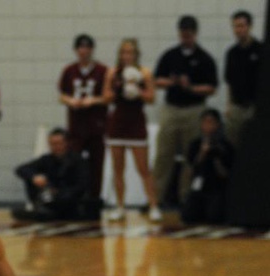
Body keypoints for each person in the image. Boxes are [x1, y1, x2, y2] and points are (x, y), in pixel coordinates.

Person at [153, 15, 218, 207]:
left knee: (191, 156)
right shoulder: (170, 55)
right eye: (183, 34)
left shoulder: (204, 58)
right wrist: (173, 82)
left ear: (195, 34)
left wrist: (191, 88)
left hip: (194, 110)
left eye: (189, 34)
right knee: (164, 154)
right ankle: (156, 197)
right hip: (171, 109)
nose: (186, 38)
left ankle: (186, 198)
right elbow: (157, 81)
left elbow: (212, 88)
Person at [103, 39, 162, 223]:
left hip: (136, 122)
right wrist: (119, 90)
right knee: (118, 168)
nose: (127, 56)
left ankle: (153, 206)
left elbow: (152, 98)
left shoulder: (145, 72)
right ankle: (120, 206)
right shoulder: (113, 73)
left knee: (143, 168)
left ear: (136, 55)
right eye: (124, 52)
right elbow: (106, 98)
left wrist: (137, 91)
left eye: (130, 53)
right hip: (118, 122)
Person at [58, 34, 107, 200]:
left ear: (92, 50)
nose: (84, 51)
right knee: (74, 162)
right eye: (81, 47)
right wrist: (71, 100)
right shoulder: (69, 71)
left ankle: (94, 198)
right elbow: (62, 94)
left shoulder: (102, 71)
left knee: (96, 164)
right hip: (76, 126)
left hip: (96, 125)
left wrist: (94, 100)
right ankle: (74, 197)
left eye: (87, 47)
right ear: (76, 50)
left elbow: (108, 96)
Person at [13, 127, 92, 221]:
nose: (56, 147)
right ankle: (43, 211)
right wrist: (34, 177)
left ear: (66, 143)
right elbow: (21, 169)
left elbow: (82, 185)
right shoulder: (47, 159)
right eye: (53, 144)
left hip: (70, 201)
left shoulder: (78, 161)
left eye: (59, 143)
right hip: (51, 200)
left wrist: (59, 192)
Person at [181, 108, 234, 225]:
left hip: (217, 188)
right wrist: (202, 153)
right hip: (199, 186)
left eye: (211, 122)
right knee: (188, 216)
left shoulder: (226, 145)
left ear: (218, 124)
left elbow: (226, 174)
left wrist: (217, 157)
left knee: (215, 216)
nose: (208, 126)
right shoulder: (195, 144)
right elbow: (190, 170)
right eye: (205, 122)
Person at [223, 10, 262, 148]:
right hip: (236, 107)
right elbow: (229, 82)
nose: (238, 30)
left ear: (250, 27)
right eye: (235, 26)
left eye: (241, 26)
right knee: (233, 144)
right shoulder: (231, 53)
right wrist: (228, 105)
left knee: (255, 145)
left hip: (254, 107)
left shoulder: (260, 50)